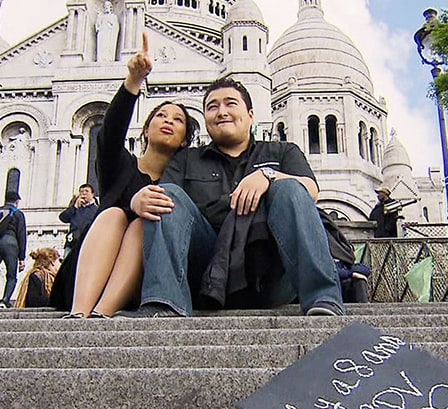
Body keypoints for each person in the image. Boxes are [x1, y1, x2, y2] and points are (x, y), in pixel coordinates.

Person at [120, 77, 345, 318]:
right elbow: (160, 201)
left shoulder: (283, 151)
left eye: (230, 103)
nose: (221, 112)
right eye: (212, 107)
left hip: (270, 274)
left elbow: (311, 191)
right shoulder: (186, 159)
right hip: (206, 276)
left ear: (250, 115)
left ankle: (324, 299)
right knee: (168, 195)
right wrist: (136, 201)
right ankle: (165, 304)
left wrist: (268, 176)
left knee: (290, 187)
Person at [61, 33, 199, 318]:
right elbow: (110, 133)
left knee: (143, 224)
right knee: (114, 215)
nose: (168, 121)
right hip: (93, 270)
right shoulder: (121, 165)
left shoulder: (185, 180)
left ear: (185, 139)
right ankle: (79, 314)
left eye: (178, 120)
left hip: (148, 280)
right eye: (161, 116)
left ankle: (101, 314)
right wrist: (134, 80)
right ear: (146, 129)